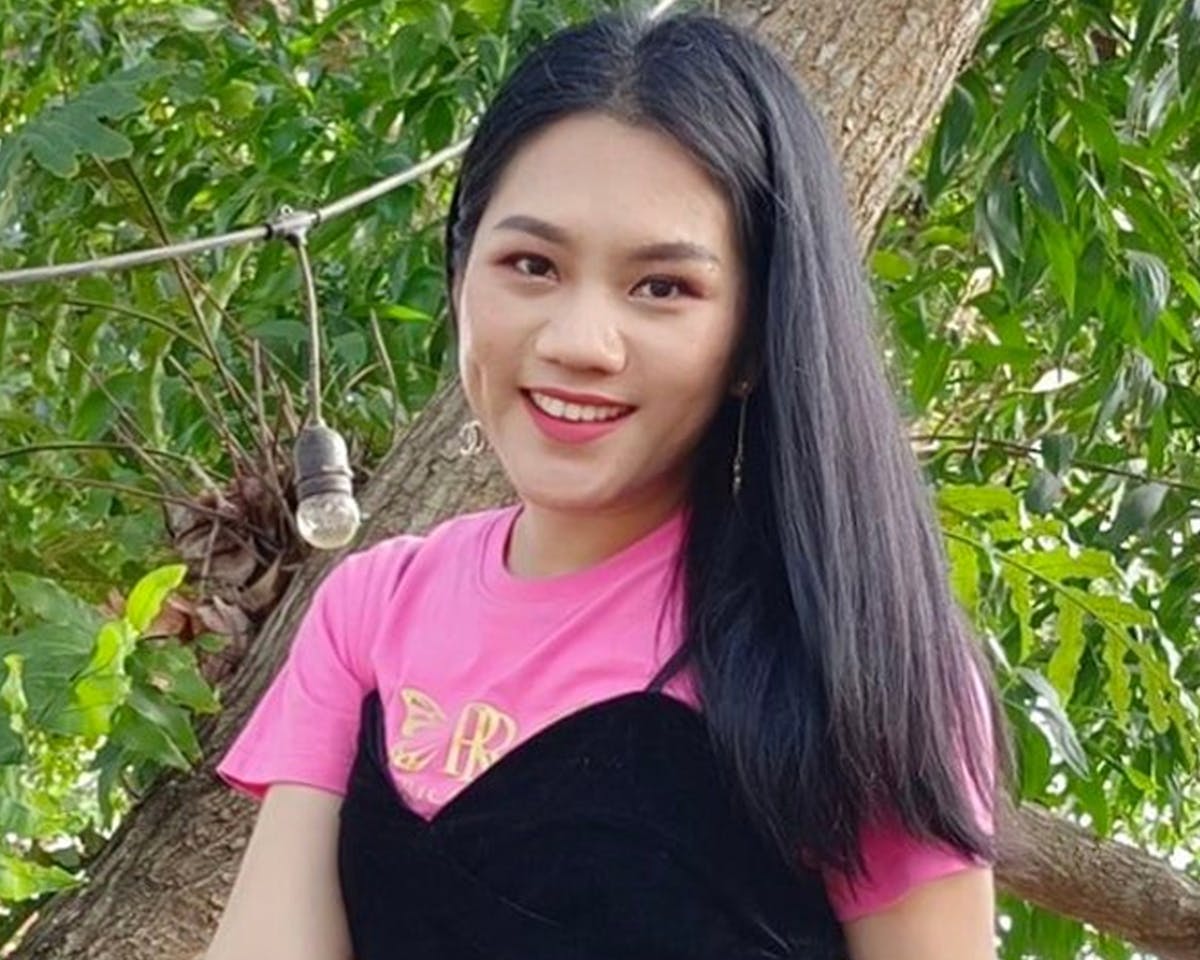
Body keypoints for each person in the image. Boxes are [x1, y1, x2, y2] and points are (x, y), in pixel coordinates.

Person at [204, 8, 1012, 960]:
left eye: (662, 287)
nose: (579, 342)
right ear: (462, 278)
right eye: (531, 265)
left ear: (755, 338)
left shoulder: (849, 658)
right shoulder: (372, 609)